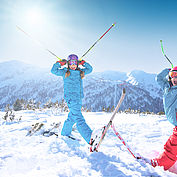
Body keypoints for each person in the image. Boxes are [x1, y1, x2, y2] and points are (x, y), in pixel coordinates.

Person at [51, 54, 93, 144]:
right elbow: (53, 70)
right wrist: (59, 63)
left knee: (72, 117)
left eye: (75, 63)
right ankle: (90, 138)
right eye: (71, 64)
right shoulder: (65, 72)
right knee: (79, 118)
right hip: (71, 99)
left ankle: (65, 133)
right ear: (68, 64)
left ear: (77, 64)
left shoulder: (80, 72)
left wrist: (84, 63)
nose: (73, 66)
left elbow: (90, 69)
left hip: (78, 98)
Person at [142, 66, 177, 170]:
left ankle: (159, 164)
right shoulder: (167, 86)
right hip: (174, 120)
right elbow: (158, 78)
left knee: (173, 146)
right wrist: (169, 70)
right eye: (173, 76)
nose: (175, 78)